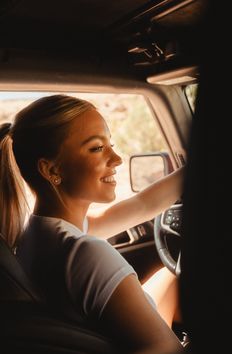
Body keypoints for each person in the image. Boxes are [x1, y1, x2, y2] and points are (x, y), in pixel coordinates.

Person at [0, 94, 184, 354]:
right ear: (51, 170)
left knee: (173, 277)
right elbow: (166, 348)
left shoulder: (36, 232)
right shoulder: (85, 253)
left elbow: (143, 205)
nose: (117, 158)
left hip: (100, 335)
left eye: (111, 144)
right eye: (97, 148)